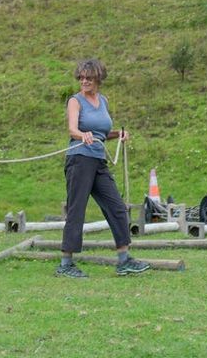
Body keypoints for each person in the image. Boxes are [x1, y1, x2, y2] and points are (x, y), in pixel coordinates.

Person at [56, 58, 150, 278]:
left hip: (98, 160)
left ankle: (124, 260)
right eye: (81, 77)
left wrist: (118, 134)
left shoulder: (104, 101)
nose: (84, 81)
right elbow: (72, 130)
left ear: (98, 78)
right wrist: (82, 134)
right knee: (76, 210)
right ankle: (66, 263)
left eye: (88, 78)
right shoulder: (75, 101)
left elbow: (100, 133)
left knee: (116, 206)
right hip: (79, 159)